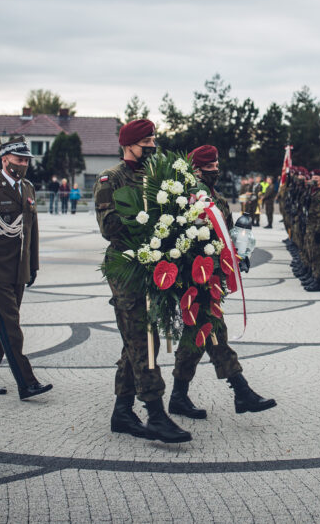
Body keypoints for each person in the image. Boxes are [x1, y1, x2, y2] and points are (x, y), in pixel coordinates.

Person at [94, 118, 190, 443]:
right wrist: (144, 222)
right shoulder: (111, 178)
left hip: (152, 266)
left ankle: (122, 412)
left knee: (134, 340)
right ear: (128, 144)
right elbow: (108, 226)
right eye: (145, 141)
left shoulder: (155, 177)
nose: (152, 146)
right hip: (125, 265)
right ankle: (156, 413)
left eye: (153, 140)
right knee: (143, 340)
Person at [169, 145, 276, 421]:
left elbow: (227, 235)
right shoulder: (191, 197)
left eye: (216, 168)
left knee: (198, 335)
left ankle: (179, 396)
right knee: (212, 332)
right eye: (209, 169)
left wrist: (240, 255)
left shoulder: (216, 197)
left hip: (213, 277)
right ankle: (242, 391)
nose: (214, 172)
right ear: (197, 170)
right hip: (196, 280)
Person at [0, 136, 52, 401]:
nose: (24, 164)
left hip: (19, 269)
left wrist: (33, 265)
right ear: (4, 159)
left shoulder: (27, 188)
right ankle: (27, 382)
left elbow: (32, 231)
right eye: (19, 159)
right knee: (11, 326)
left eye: (26, 159)